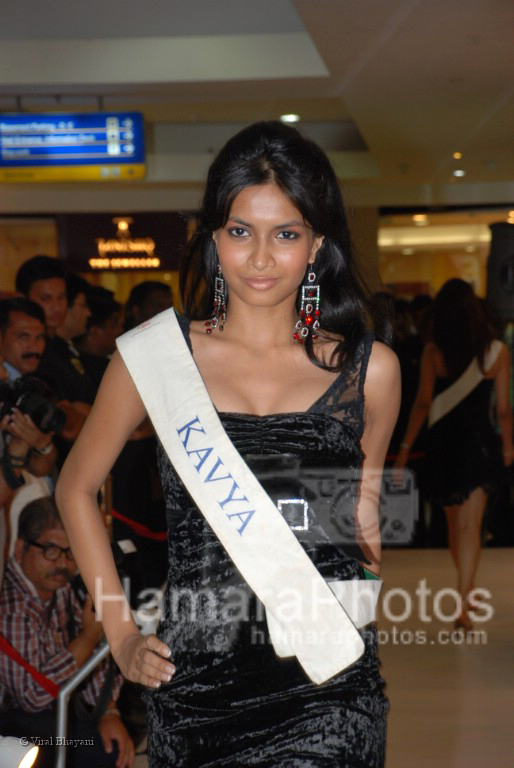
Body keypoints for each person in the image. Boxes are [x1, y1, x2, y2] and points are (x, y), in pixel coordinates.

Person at [56, 121, 400, 767]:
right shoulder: (154, 359)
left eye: (287, 234)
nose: (262, 258)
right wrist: (122, 632)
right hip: (196, 686)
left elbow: (365, 518)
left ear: (317, 243)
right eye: (241, 231)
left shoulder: (368, 370)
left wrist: (354, 615)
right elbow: (75, 487)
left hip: (326, 684)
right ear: (213, 237)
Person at [394, 278, 513, 630]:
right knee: (470, 526)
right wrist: (507, 444)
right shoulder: (497, 352)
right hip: (478, 446)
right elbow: (503, 409)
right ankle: (465, 594)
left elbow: (423, 404)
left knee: (453, 525)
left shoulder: (433, 352)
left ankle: (464, 594)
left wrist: (404, 450)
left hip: (442, 444)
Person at [0, 496, 134, 768]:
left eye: (70, 552)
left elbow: (97, 658)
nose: (62, 563)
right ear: (20, 548)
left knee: (110, 747)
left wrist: (108, 711)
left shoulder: (59, 587)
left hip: (57, 711)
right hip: (16, 726)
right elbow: (32, 698)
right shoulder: (11, 605)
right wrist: (87, 638)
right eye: (50, 550)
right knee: (89, 750)